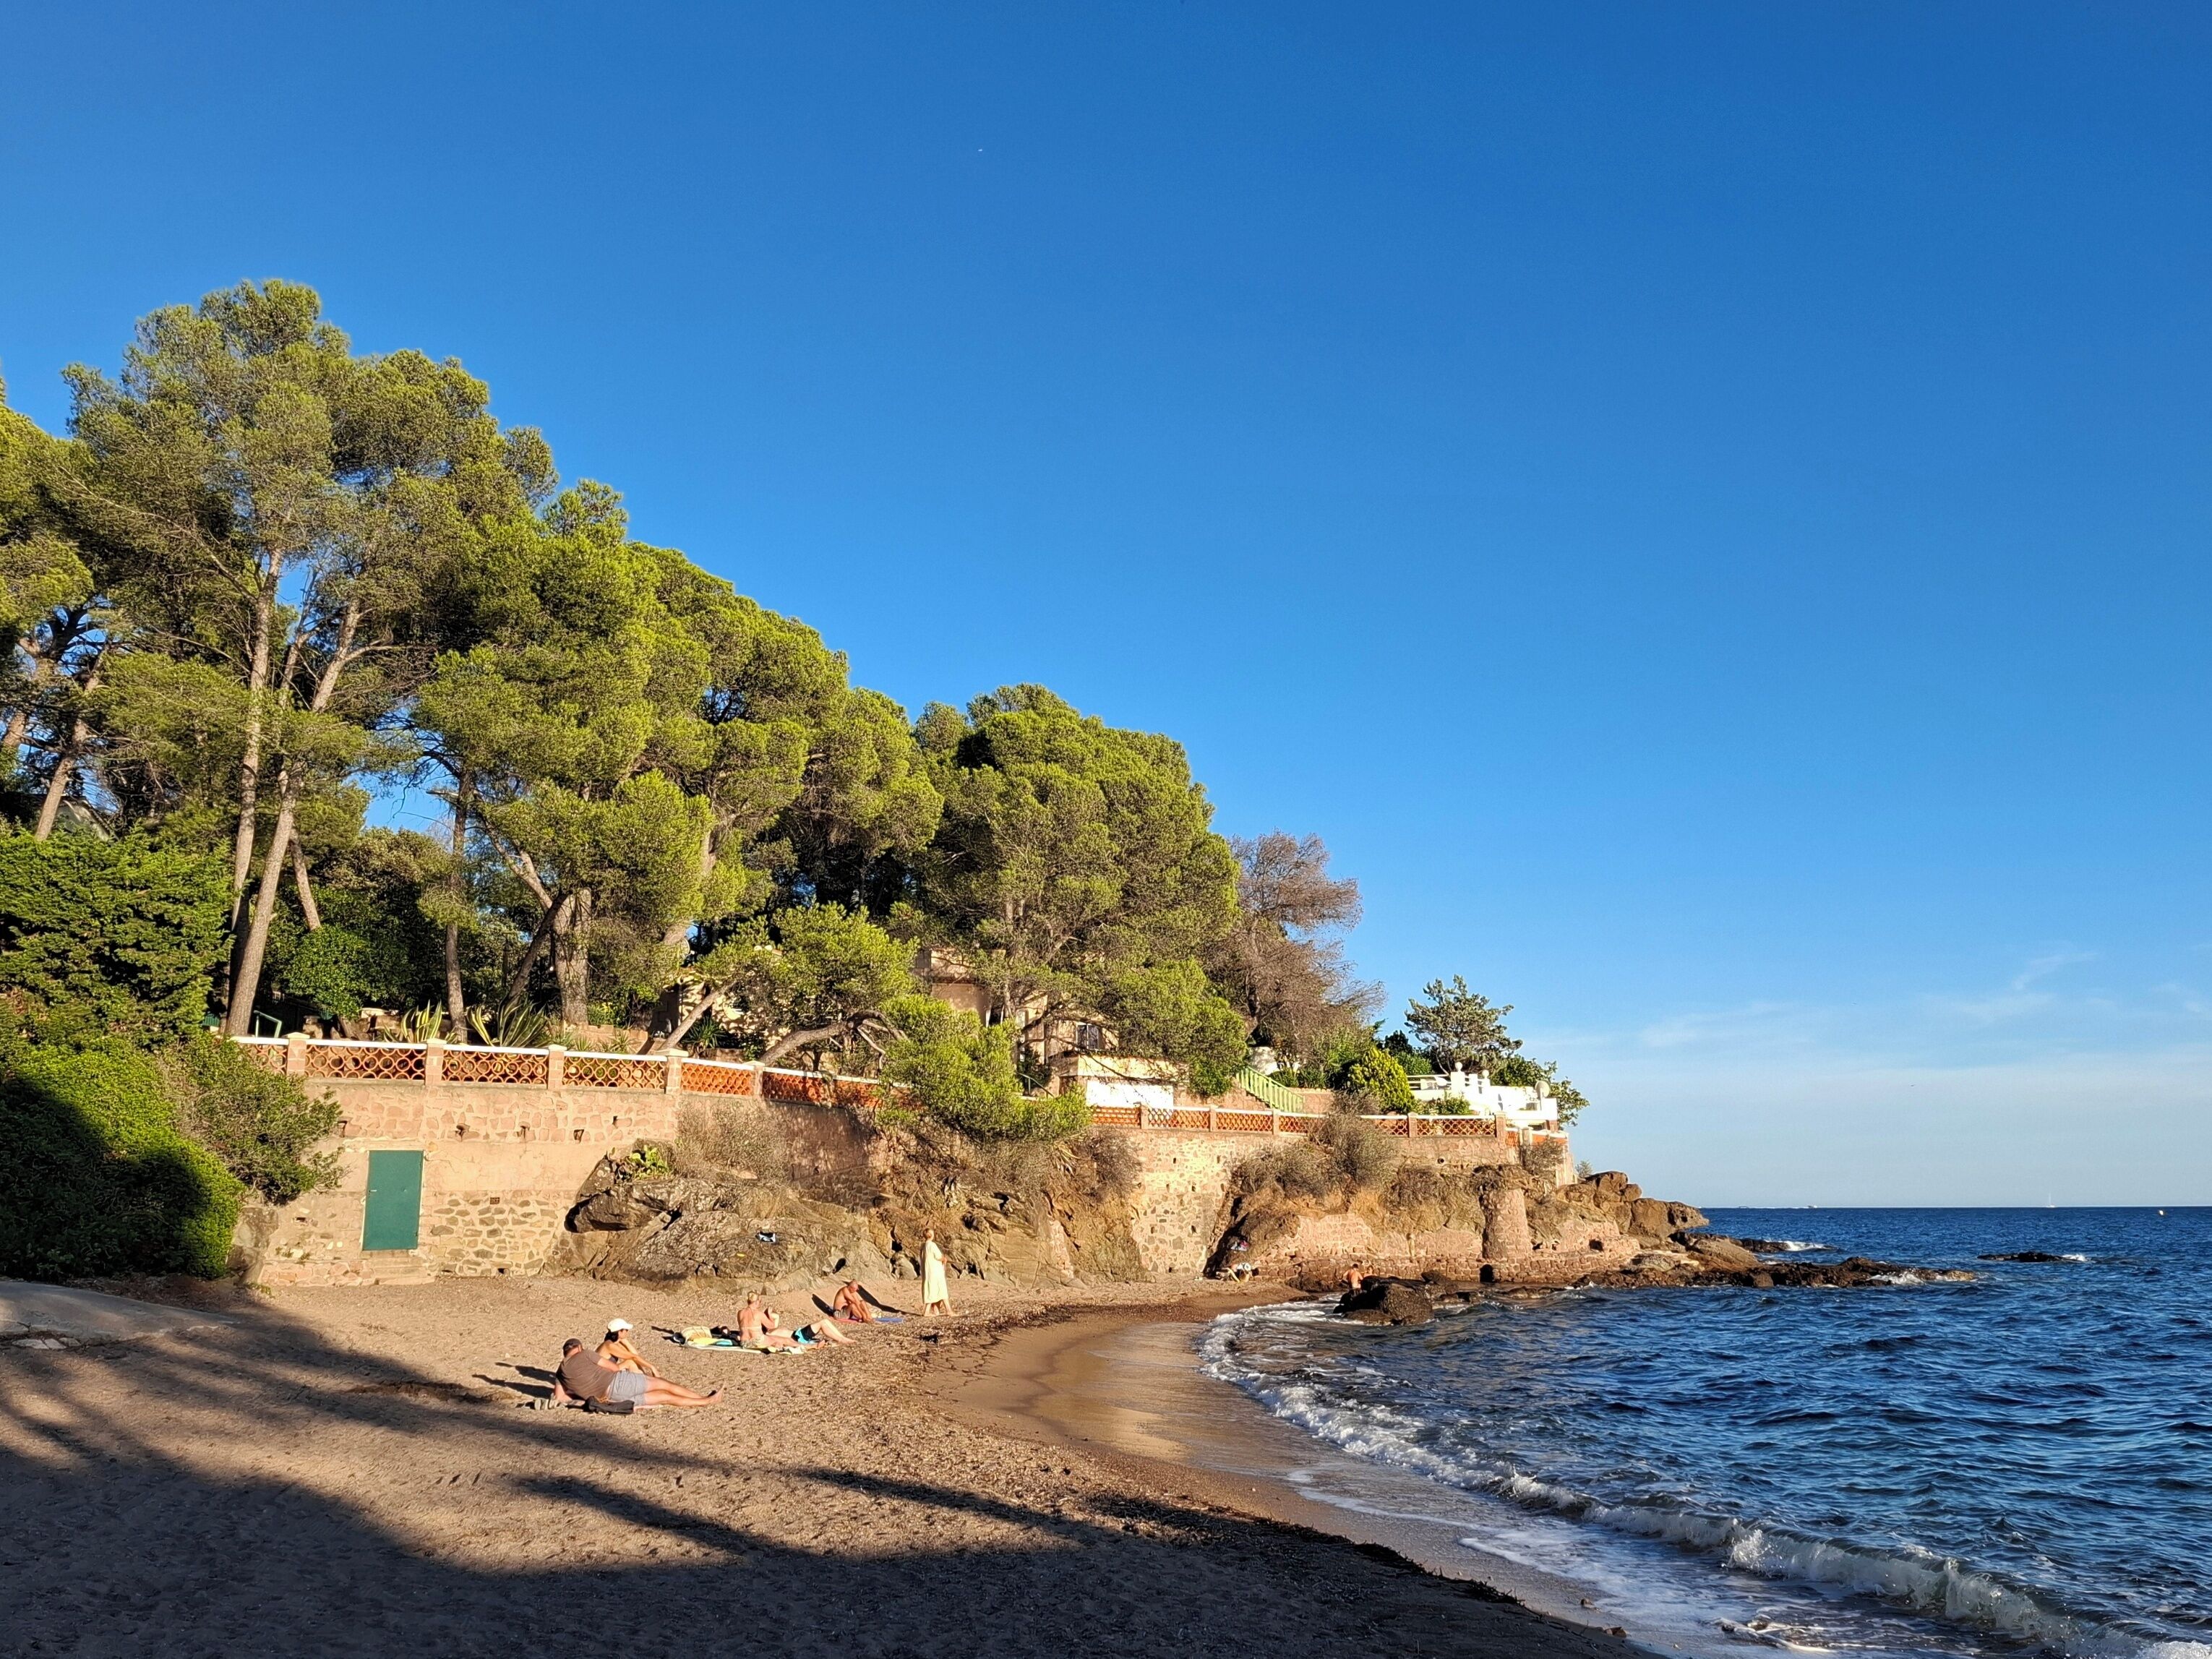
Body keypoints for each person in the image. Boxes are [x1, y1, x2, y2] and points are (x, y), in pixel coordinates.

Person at [550, 1337, 720, 1410]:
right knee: (664, 1385)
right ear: (578, 1348)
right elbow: (614, 1369)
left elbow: (561, 1398)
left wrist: (582, 1395)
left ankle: (703, 1402)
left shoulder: (560, 1371)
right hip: (618, 1382)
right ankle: (703, 1398)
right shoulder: (585, 1354)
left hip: (610, 1399)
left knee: (663, 1397)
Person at [734, 1295, 806, 1352]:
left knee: (778, 1341)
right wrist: (770, 1315)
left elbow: (741, 1326)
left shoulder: (740, 1313)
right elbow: (772, 1326)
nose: (760, 1303)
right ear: (756, 1302)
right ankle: (811, 1346)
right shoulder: (759, 1314)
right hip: (758, 1341)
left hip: (744, 1342)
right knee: (786, 1340)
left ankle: (777, 1345)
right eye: (760, 1301)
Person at [595, 1316, 661, 1378]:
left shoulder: (614, 1343)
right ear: (620, 1332)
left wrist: (625, 1341)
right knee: (630, 1363)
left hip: (606, 1373)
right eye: (626, 1330)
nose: (627, 1332)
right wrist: (652, 1367)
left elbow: (635, 1355)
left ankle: (646, 1379)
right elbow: (634, 1357)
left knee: (632, 1362)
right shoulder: (609, 1346)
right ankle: (647, 1381)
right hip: (600, 1377)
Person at [832, 1280, 901, 1324]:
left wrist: (867, 1314)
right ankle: (864, 1318)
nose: (854, 1291)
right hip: (839, 1313)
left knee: (862, 1302)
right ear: (850, 1287)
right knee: (853, 1305)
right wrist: (863, 1315)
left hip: (847, 1311)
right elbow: (854, 1302)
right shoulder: (845, 1290)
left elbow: (858, 1302)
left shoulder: (853, 1292)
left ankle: (869, 1317)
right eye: (854, 1290)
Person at [921, 1230, 952, 1316]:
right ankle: (948, 1310)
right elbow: (938, 1257)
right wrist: (944, 1259)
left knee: (931, 1290)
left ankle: (927, 1311)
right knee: (941, 1289)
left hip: (928, 1272)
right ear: (931, 1235)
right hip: (935, 1271)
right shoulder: (932, 1245)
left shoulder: (923, 1246)